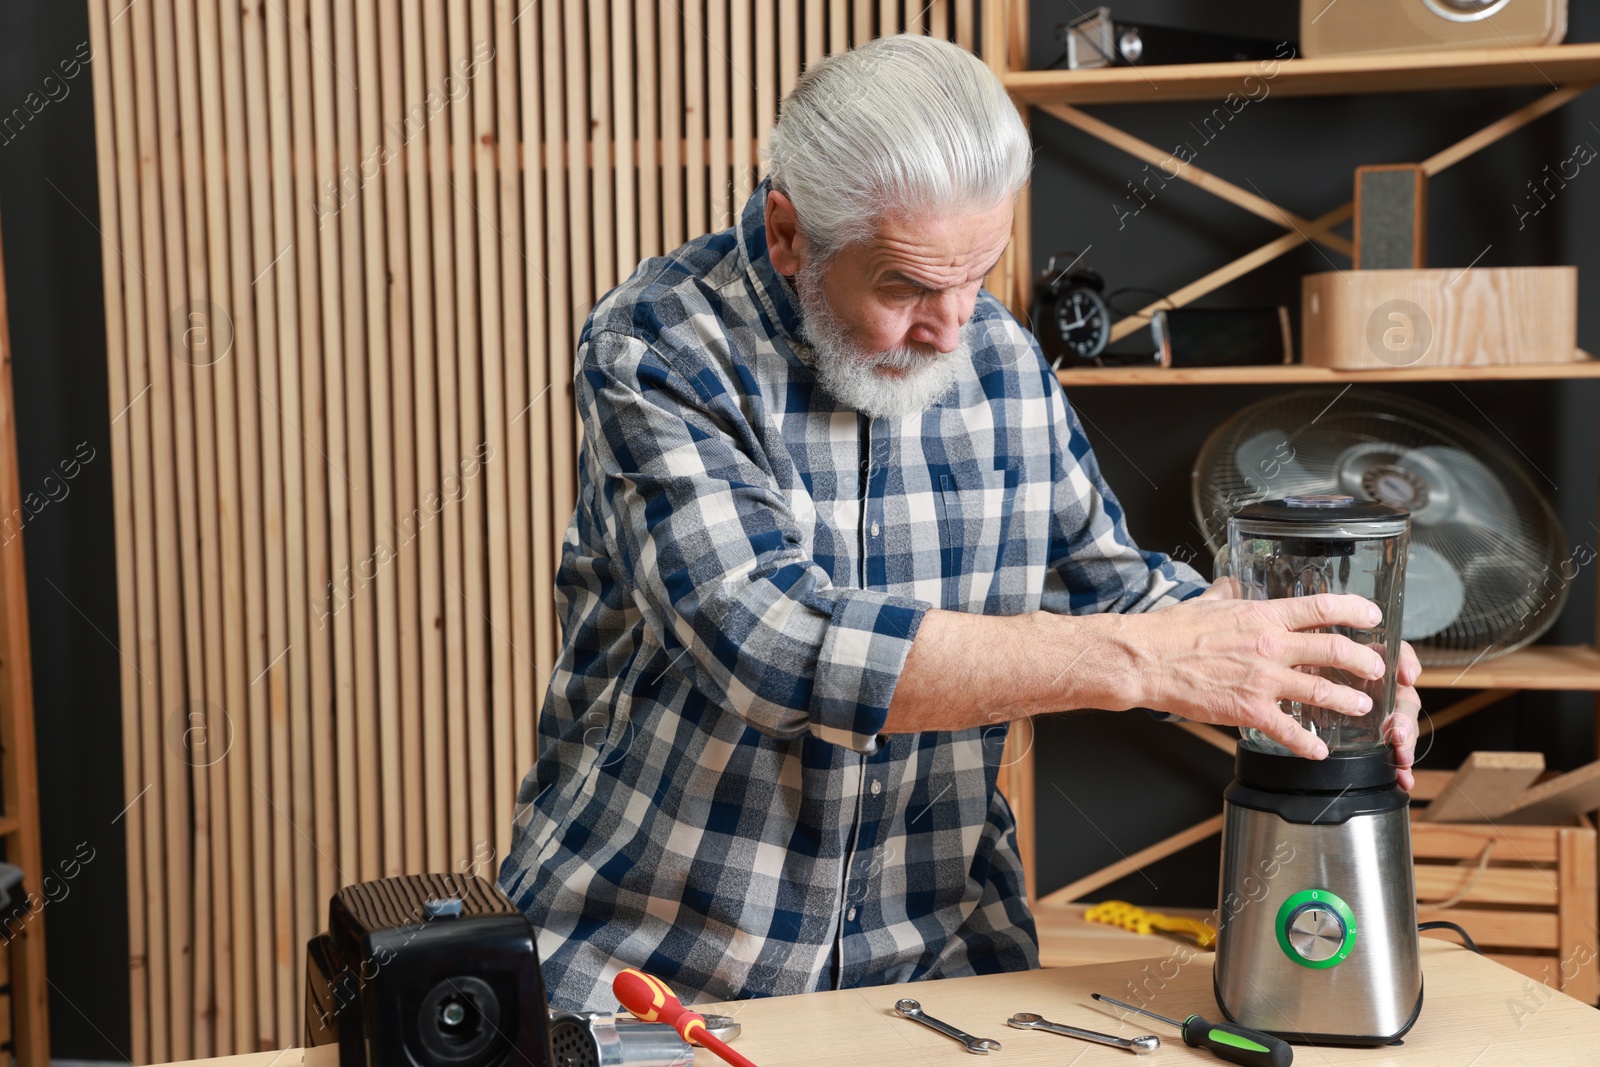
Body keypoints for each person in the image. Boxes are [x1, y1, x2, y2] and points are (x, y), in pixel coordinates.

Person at [498, 33, 1422, 1012]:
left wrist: (1297, 664)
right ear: (788, 233)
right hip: (652, 965)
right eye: (904, 286)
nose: (952, 327)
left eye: (978, 271)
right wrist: (1145, 657)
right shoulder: (663, 341)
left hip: (933, 963)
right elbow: (766, 639)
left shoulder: (999, 355)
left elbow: (1104, 582)